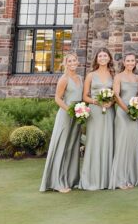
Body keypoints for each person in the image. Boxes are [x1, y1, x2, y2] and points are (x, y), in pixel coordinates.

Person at [39, 52, 83, 193]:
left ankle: (70, 179)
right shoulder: (64, 79)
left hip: (78, 115)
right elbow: (57, 99)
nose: (72, 63)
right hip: (66, 115)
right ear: (65, 63)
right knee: (62, 146)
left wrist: (80, 111)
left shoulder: (80, 78)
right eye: (69, 61)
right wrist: (70, 110)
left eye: (74, 60)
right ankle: (57, 182)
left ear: (78, 62)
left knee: (72, 146)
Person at [79, 48, 116, 190]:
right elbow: (85, 96)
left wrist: (110, 102)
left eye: (105, 56)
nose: (102, 58)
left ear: (109, 58)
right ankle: (92, 178)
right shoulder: (91, 75)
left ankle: (106, 179)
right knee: (95, 141)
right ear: (96, 59)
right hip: (95, 111)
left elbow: (115, 93)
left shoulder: (113, 75)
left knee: (107, 140)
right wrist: (97, 102)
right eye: (100, 56)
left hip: (109, 111)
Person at [111, 52, 138, 189]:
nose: (130, 63)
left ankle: (131, 178)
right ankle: (119, 179)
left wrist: (137, 108)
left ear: (135, 63)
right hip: (123, 113)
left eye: (132, 61)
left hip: (134, 113)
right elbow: (116, 96)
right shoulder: (118, 77)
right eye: (128, 61)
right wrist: (127, 110)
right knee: (122, 144)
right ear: (124, 62)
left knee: (132, 144)